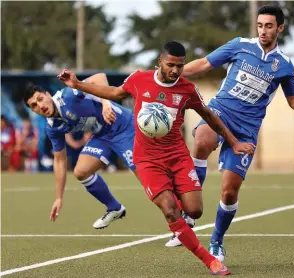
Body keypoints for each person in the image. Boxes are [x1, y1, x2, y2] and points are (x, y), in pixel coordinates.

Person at [58, 40, 256, 276]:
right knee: (170, 210)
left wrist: (233, 142)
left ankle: (181, 214)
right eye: (171, 65)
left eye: (180, 66)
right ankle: (210, 261)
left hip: (178, 156)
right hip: (147, 160)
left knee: (194, 211)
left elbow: (210, 116)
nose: (175, 70)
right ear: (160, 62)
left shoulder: (187, 90)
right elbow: (114, 92)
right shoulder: (139, 80)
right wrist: (77, 83)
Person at [164, 5, 294, 257]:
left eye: (269, 26)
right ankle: (189, 213)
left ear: (280, 28)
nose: (263, 30)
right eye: (260, 25)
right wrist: (173, 73)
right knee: (202, 139)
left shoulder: (283, 65)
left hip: (246, 129)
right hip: (220, 111)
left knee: (229, 191)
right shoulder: (240, 45)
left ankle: (216, 241)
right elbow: (205, 63)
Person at [23, 73, 138, 229]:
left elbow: (99, 77)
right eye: (34, 105)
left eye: (40, 99)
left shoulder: (68, 95)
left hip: (122, 126)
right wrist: (58, 198)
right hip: (102, 135)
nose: (40, 105)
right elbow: (59, 160)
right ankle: (114, 208)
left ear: (48, 95)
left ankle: (180, 218)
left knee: (143, 174)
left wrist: (106, 103)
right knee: (81, 172)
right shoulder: (53, 127)